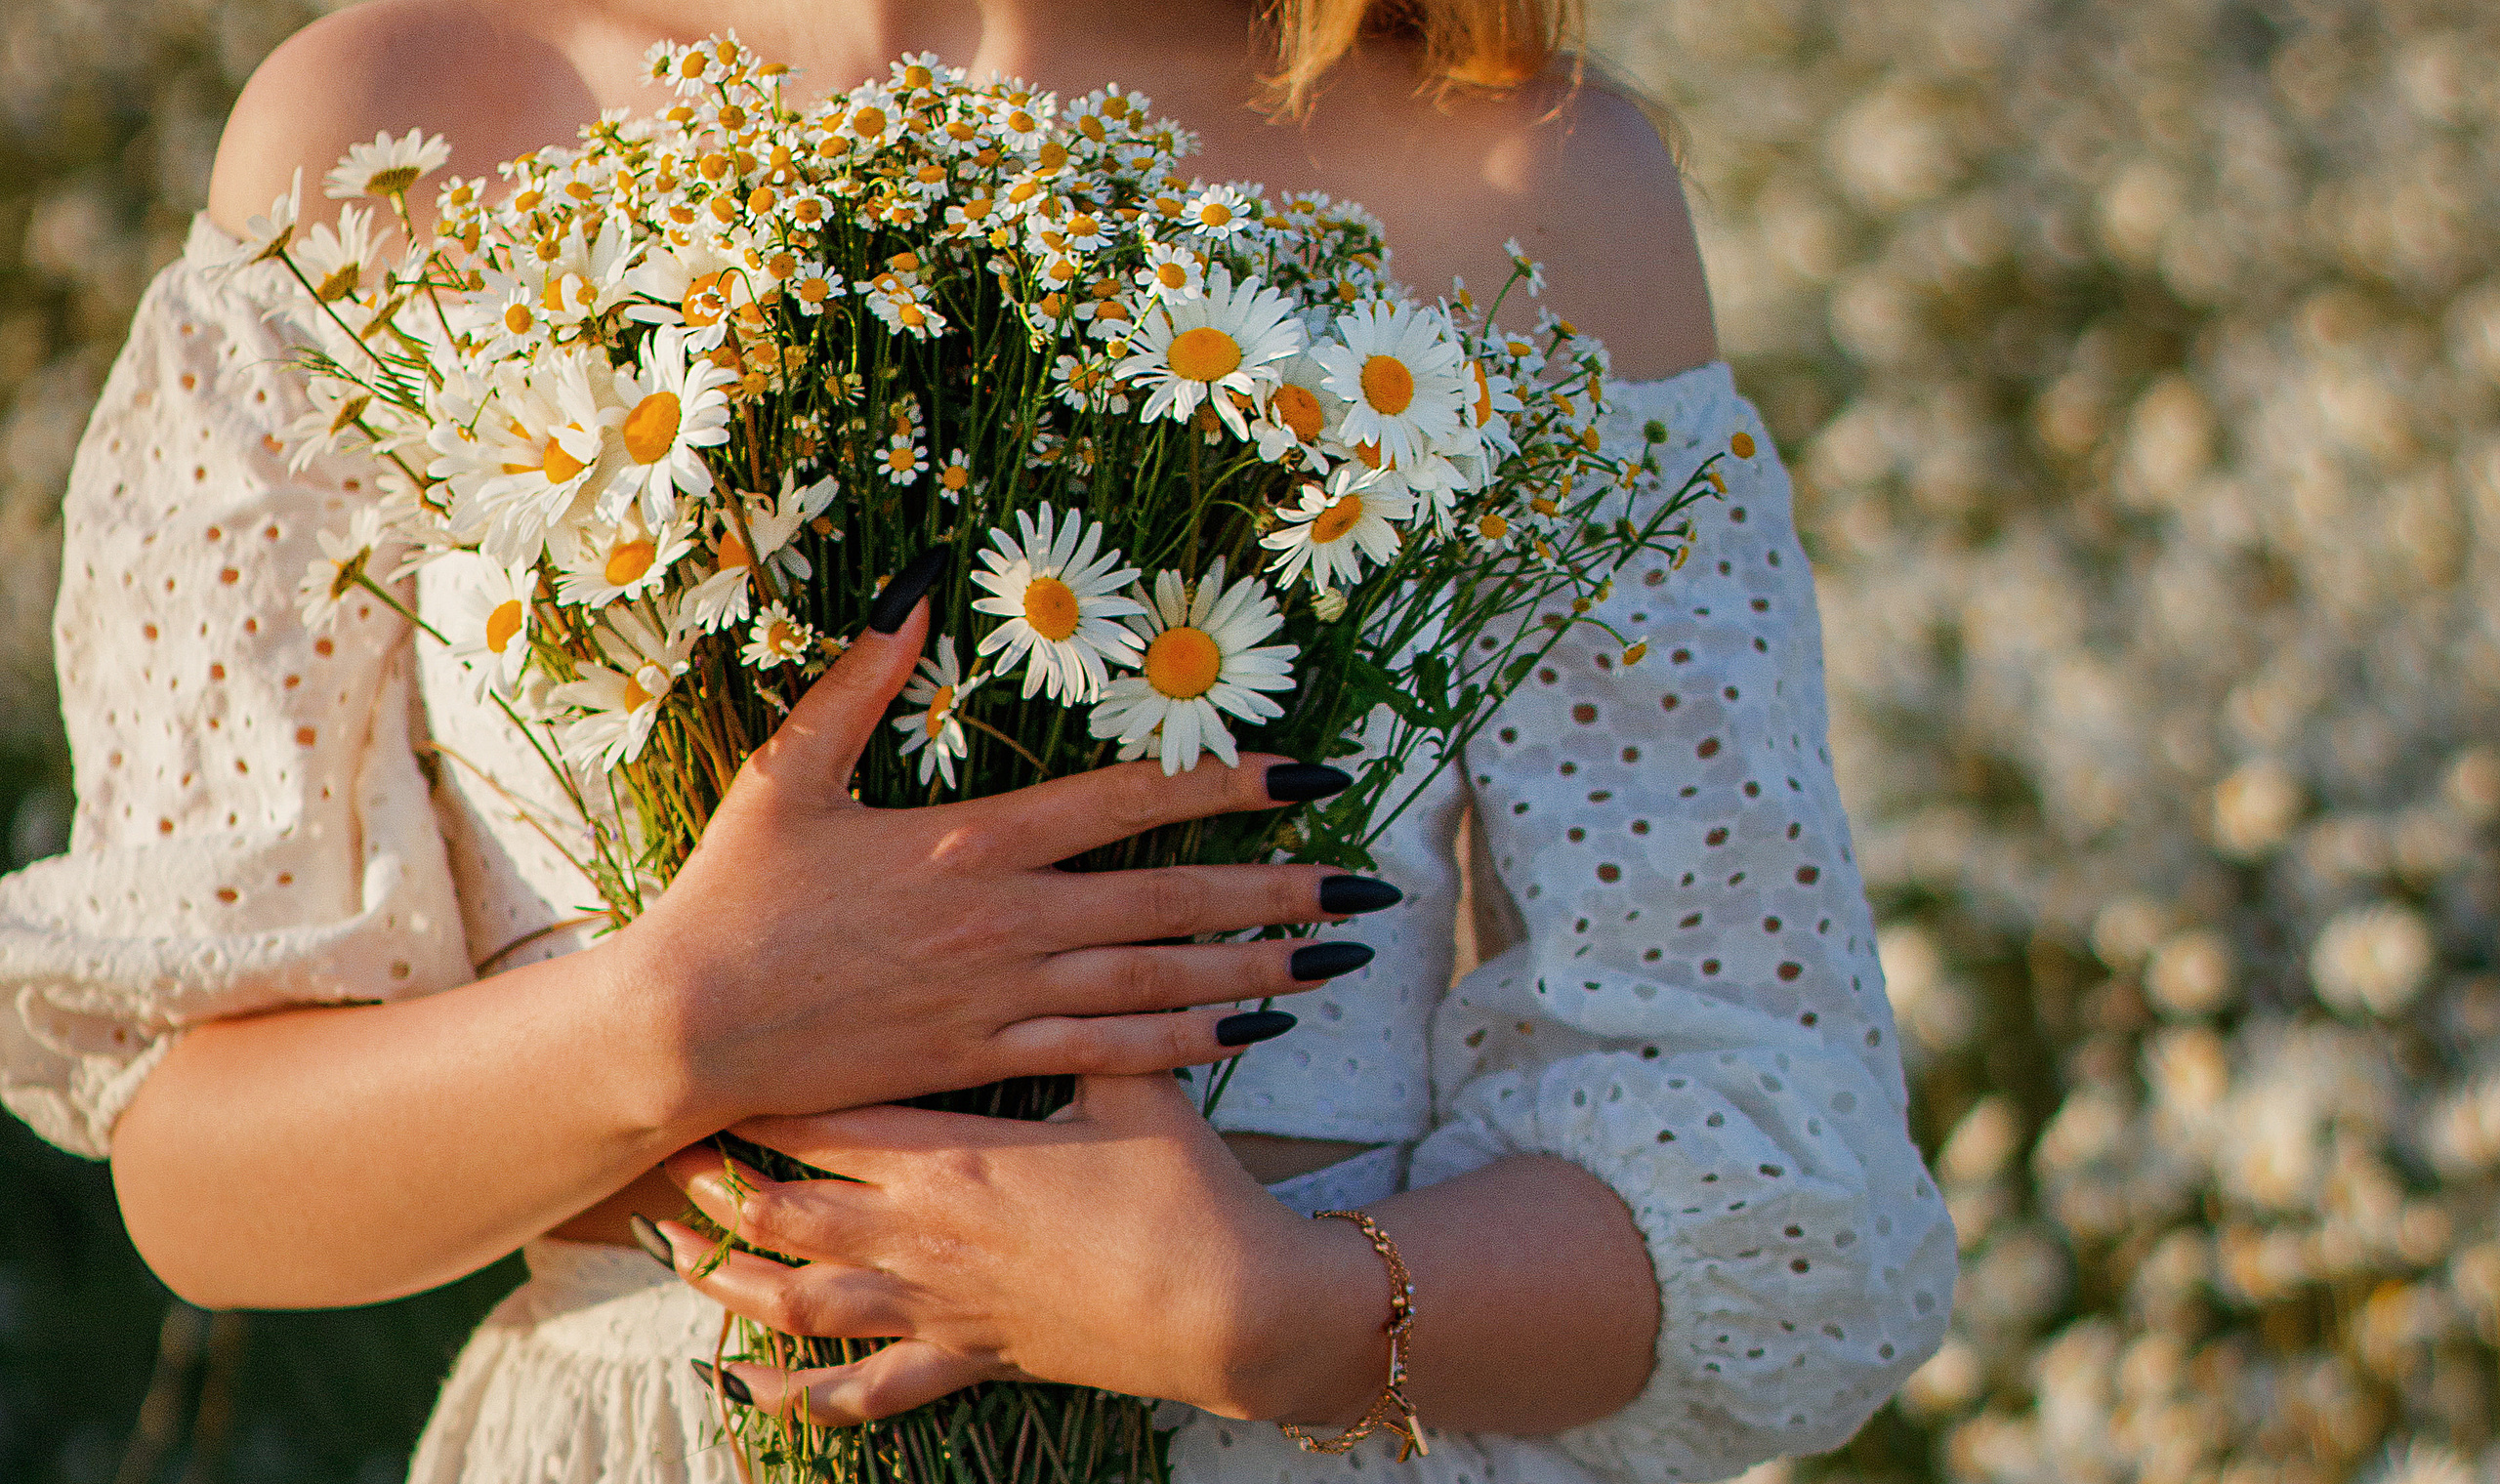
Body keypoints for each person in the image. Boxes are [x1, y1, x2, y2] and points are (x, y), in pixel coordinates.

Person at [0, 0, 1957, 1479]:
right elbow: (204, 1168)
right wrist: (671, 1021)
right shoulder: (393, 128)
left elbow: (1772, 1166)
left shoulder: (1507, 172)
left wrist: (1281, 1313)